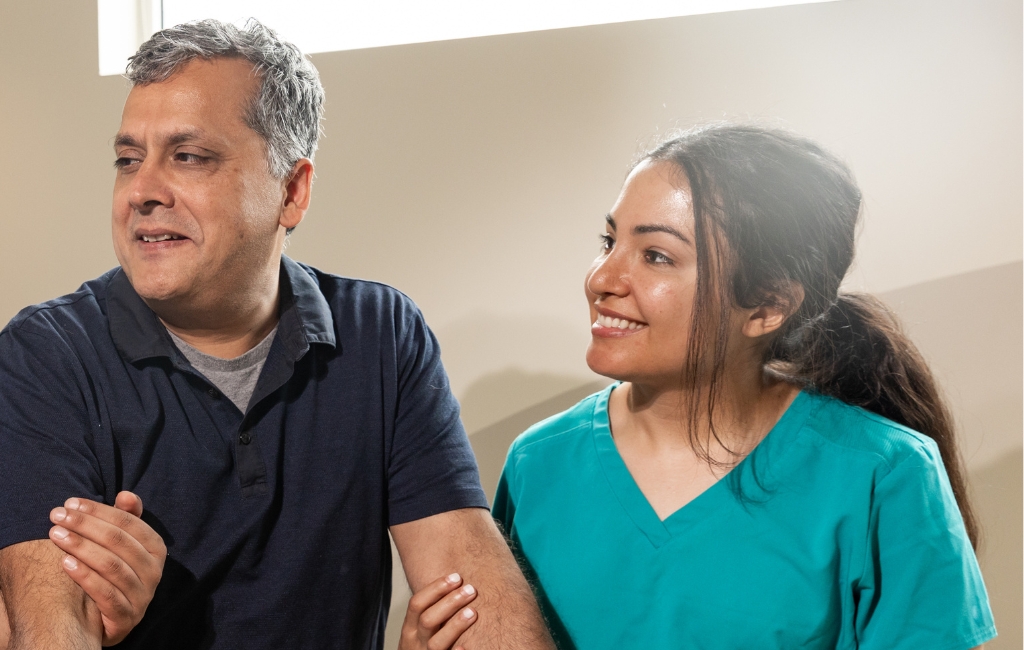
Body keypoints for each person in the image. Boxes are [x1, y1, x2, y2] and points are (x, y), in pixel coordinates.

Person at [0, 19, 552, 650]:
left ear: (292, 191)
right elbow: (49, 628)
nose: (142, 192)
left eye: (188, 157)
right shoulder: (45, 354)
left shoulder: (382, 334)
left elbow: (472, 591)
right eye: (129, 160)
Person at [482, 125, 996, 648]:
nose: (602, 279)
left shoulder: (885, 475)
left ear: (768, 306)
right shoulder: (538, 464)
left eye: (656, 255)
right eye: (610, 241)